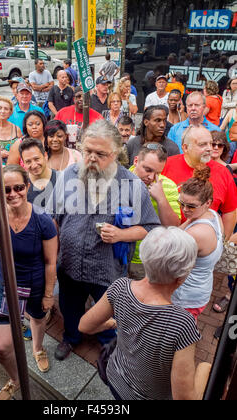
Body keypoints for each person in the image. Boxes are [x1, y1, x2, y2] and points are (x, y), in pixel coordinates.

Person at [49, 120, 160, 361]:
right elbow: (54, 220)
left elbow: (151, 228)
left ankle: (108, 347)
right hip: (68, 265)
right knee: (70, 308)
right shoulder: (68, 176)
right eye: (87, 150)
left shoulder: (132, 185)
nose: (91, 158)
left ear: (116, 153)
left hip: (108, 270)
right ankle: (71, 338)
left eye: (100, 154)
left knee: (108, 315)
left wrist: (121, 235)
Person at [79, 226, 211, 400]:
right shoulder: (182, 323)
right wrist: (204, 370)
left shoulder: (120, 287)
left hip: (115, 377)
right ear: (181, 278)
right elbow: (184, 398)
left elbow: (84, 325)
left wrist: (113, 322)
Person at [0, 164, 58, 399]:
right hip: (5, 284)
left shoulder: (42, 219)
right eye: (6, 189)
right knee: (2, 347)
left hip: (35, 282)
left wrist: (49, 294)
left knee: (37, 319)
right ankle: (16, 379)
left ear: (27, 187)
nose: (13, 194)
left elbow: (50, 262)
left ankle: (37, 349)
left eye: (18, 187)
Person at [162, 125, 237, 239]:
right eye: (202, 144)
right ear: (185, 147)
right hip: (169, 241)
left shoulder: (223, 173)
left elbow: (230, 211)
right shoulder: (165, 166)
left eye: (210, 143)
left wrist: (222, 243)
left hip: (206, 244)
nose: (209, 149)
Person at [172, 166, 224, 320]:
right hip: (200, 289)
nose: (184, 210)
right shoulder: (212, 215)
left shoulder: (196, 234)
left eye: (191, 206)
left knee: (177, 338)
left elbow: (169, 260)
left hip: (185, 297)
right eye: (181, 203)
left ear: (208, 203)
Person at [128, 144, 181, 280]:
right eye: (147, 170)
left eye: (158, 173)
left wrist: (161, 198)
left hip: (145, 259)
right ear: (136, 161)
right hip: (117, 255)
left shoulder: (167, 185)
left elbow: (173, 227)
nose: (151, 177)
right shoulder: (121, 179)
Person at [19, 137, 58, 207]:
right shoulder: (21, 186)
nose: (34, 165)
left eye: (36, 159)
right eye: (28, 161)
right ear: (23, 163)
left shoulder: (61, 179)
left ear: (45, 156)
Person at [0, 96, 22, 165]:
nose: (3, 111)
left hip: (13, 167)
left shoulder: (16, 129)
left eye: (6, 109)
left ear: (10, 113)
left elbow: (21, 149)